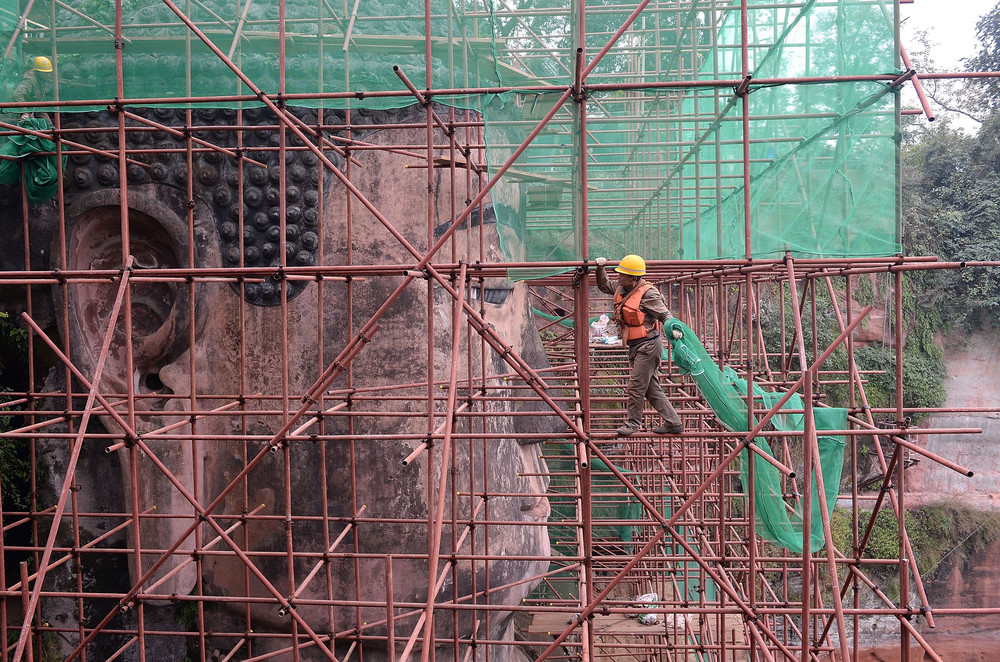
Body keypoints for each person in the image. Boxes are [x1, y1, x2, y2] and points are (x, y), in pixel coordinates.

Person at [595, 254, 684, 437]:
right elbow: (604, 285)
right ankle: (673, 422)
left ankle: (632, 424)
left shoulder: (648, 293)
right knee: (651, 390)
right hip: (635, 346)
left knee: (636, 386)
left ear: (633, 277)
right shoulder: (622, 287)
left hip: (648, 346)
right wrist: (600, 269)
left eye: (622, 274)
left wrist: (674, 328)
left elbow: (665, 315)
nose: (618, 277)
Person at [12, 55, 53, 120]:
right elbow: (17, 95)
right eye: (44, 73)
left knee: (48, 126)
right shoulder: (30, 79)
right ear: (38, 71)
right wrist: (25, 112)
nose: (48, 75)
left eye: (49, 72)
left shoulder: (44, 79)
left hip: (37, 106)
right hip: (23, 106)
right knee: (25, 125)